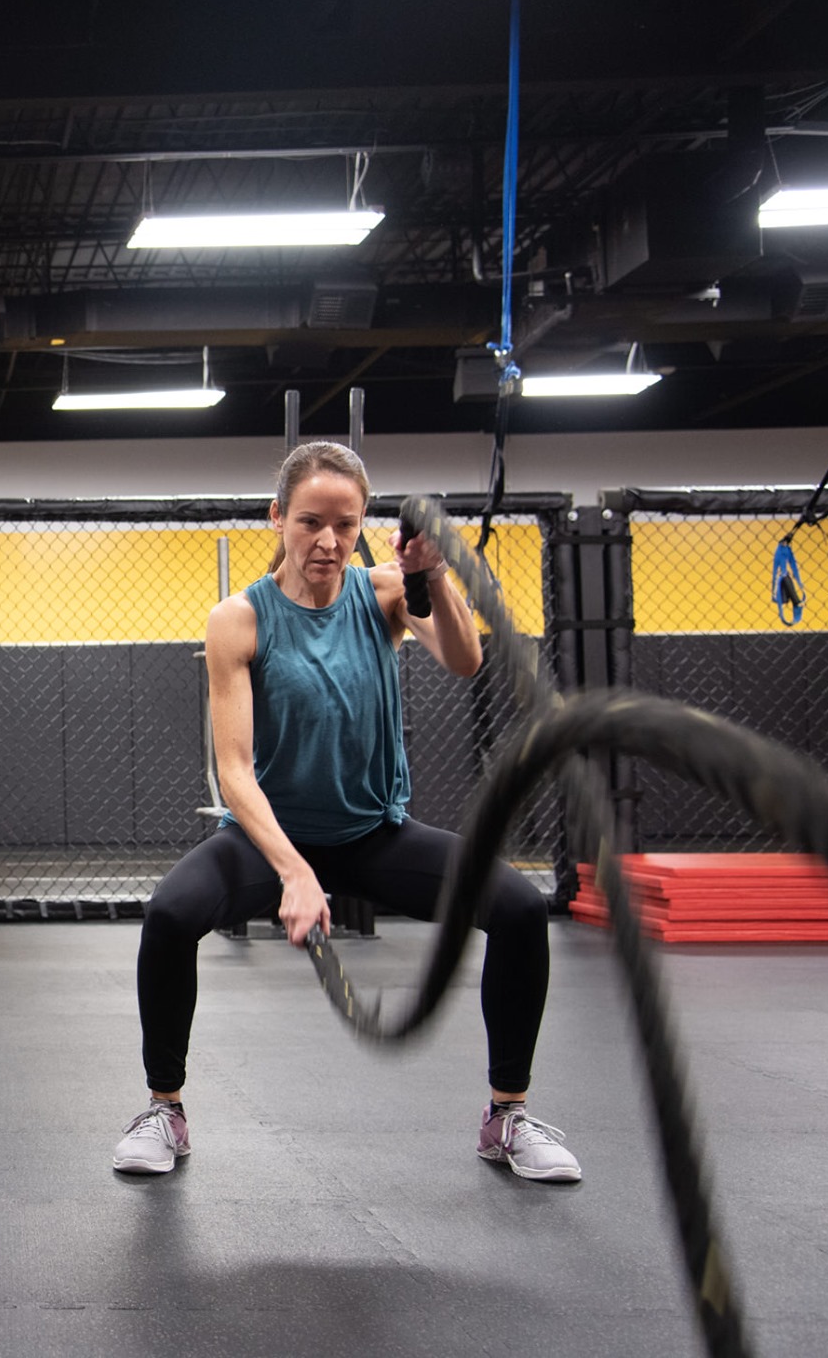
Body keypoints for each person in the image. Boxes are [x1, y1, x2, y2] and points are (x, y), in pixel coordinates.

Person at [112, 441, 579, 1183]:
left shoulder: (387, 591)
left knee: (520, 910)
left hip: (374, 834)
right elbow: (234, 772)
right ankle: (164, 1107)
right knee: (170, 915)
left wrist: (432, 576)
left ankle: (507, 1114)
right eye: (309, 522)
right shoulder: (238, 619)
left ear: (362, 526)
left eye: (346, 524)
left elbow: (465, 660)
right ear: (278, 518)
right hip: (270, 842)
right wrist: (294, 872)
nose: (327, 541)